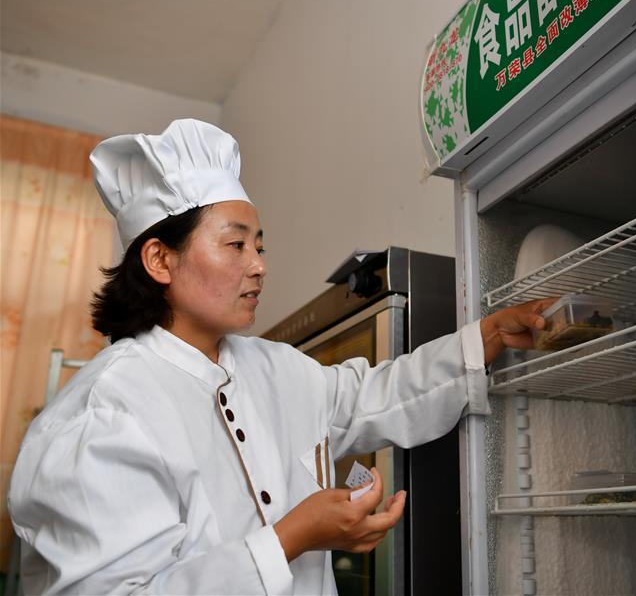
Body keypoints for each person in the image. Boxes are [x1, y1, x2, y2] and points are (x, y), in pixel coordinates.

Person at [7, 119, 552, 595]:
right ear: (160, 259)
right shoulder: (104, 413)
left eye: (260, 246)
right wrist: (291, 537)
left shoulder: (277, 368)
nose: (259, 265)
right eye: (235, 244)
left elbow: (377, 394)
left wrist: (489, 334)